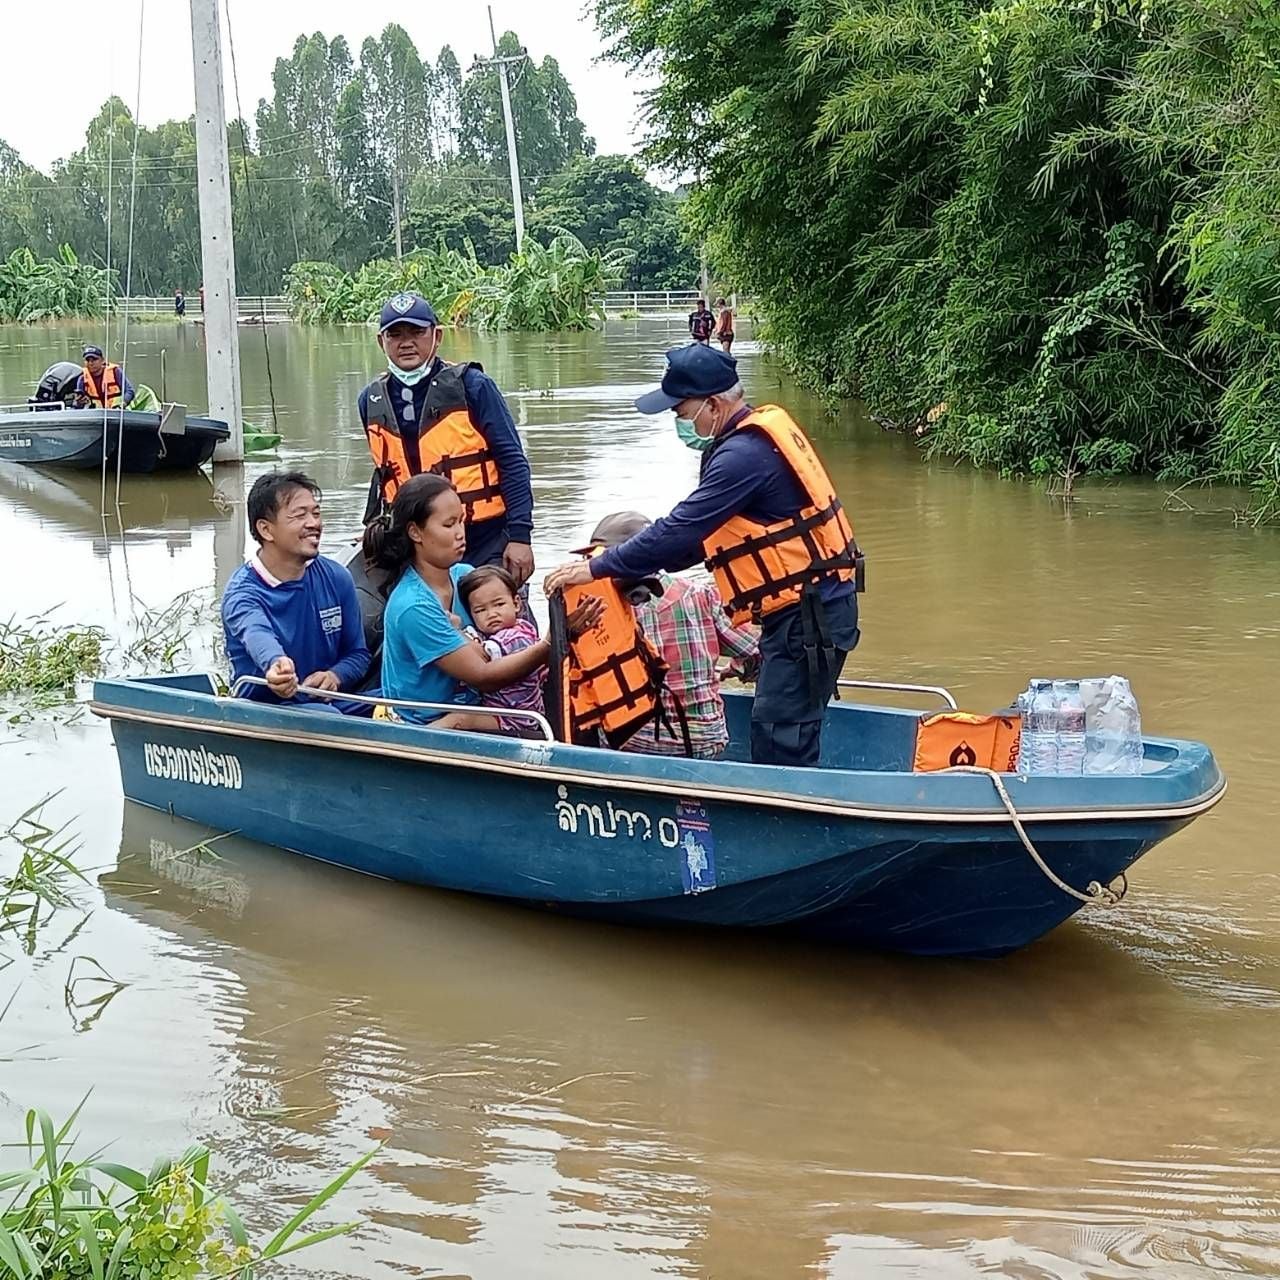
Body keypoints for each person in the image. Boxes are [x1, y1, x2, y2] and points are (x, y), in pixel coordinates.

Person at [545, 344, 862, 768]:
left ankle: (783, 828)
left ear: (713, 404)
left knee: (781, 737)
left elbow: (680, 530)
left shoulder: (742, 457)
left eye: (681, 410)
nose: (677, 420)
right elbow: (693, 544)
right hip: (802, 613)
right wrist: (635, 567)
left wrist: (594, 567)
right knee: (776, 726)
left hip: (810, 617)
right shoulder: (739, 444)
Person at [365, 474, 598, 731]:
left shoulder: (464, 576)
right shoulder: (413, 606)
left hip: (482, 707)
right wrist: (552, 642)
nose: (459, 534)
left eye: (461, 521)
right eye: (448, 524)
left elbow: (510, 636)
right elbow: (483, 676)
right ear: (415, 532)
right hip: (429, 724)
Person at [358, 292, 535, 587]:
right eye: (395, 334)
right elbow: (385, 472)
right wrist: (375, 525)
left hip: (485, 538)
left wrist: (520, 536)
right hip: (417, 545)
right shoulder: (370, 400)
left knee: (496, 620)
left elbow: (513, 461)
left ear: (436, 336)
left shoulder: (473, 386)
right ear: (381, 341)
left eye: (417, 332)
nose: (406, 342)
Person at [587, 511, 759, 760]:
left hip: (630, 740)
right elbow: (755, 650)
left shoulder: (594, 608)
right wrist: (739, 667)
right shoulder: (700, 595)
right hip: (704, 738)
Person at [222, 472, 371, 711]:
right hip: (267, 711)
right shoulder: (243, 594)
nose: (313, 523)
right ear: (266, 530)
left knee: (411, 699)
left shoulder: (336, 577)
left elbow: (358, 654)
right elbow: (256, 633)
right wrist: (276, 666)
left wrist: (335, 676)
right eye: (300, 516)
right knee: (327, 715)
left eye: (316, 513)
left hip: (331, 704)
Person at [456, 565, 546, 737]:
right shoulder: (524, 627)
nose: (492, 614)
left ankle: (412, 745)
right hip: (512, 709)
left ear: (517, 604)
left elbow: (481, 658)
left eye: (499, 604)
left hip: (514, 716)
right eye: (480, 610)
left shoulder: (513, 638)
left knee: (459, 720)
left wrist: (453, 631)